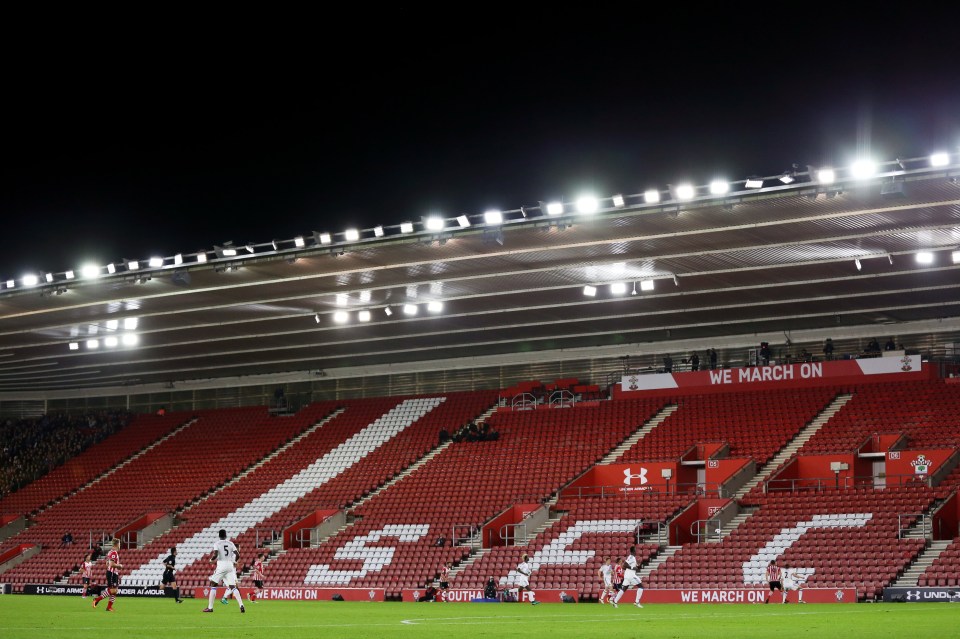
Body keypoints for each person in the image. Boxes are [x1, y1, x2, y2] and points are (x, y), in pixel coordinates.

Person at [204, 529, 245, 613]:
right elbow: (237, 554)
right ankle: (241, 605)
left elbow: (215, 554)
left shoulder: (217, 543)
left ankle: (210, 607)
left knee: (213, 584)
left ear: (219, 536)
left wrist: (211, 560)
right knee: (233, 587)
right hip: (230, 566)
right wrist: (234, 562)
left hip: (221, 565)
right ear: (226, 536)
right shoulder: (231, 543)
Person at [92, 538, 122, 611]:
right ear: (117, 544)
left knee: (114, 591)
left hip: (113, 573)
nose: (120, 545)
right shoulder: (114, 553)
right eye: (119, 543)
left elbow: (107, 563)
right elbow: (111, 564)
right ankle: (97, 600)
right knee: (113, 591)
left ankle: (109, 607)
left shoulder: (110, 552)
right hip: (112, 573)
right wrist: (119, 566)